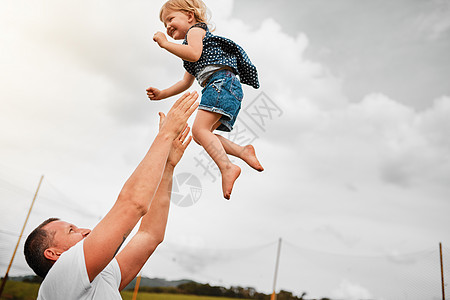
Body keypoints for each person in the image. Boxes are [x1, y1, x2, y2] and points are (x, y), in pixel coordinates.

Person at [23, 92, 199, 299]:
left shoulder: (101, 276)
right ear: (54, 254)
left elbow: (150, 236)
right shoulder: (59, 279)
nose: (85, 231)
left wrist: (168, 166)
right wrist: (166, 134)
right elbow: (132, 204)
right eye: (71, 230)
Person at [146, 0, 264, 200]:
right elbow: (185, 82)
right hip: (225, 86)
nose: (167, 26)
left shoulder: (196, 32)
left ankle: (227, 167)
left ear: (190, 16)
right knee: (203, 136)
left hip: (220, 84)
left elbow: (193, 53)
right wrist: (162, 93)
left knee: (199, 132)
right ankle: (242, 151)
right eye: (164, 23)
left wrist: (166, 44)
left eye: (170, 18)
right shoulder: (191, 48)